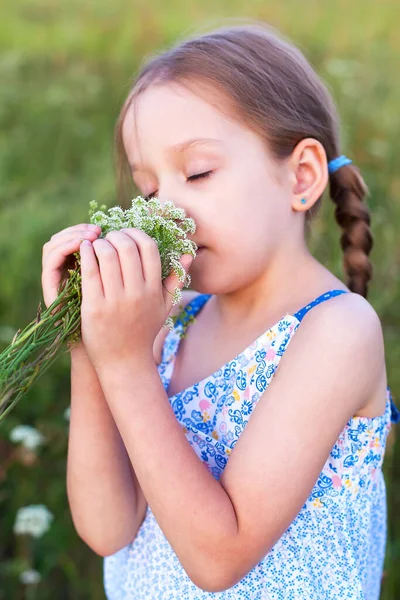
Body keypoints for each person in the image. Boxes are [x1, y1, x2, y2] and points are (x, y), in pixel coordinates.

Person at [41, 20, 400, 600]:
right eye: (149, 190)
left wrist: (129, 366)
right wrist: (93, 349)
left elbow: (218, 558)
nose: (168, 211)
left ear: (300, 176)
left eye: (199, 172)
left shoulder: (336, 331)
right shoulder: (172, 320)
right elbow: (108, 529)